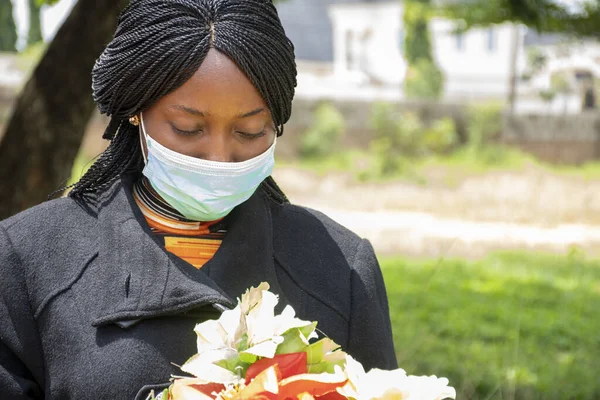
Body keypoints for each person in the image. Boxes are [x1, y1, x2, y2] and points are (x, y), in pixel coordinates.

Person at [0, 0, 397, 398]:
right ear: (136, 111)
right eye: (188, 129)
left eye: (250, 132)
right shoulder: (27, 261)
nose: (219, 158)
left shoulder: (339, 266)